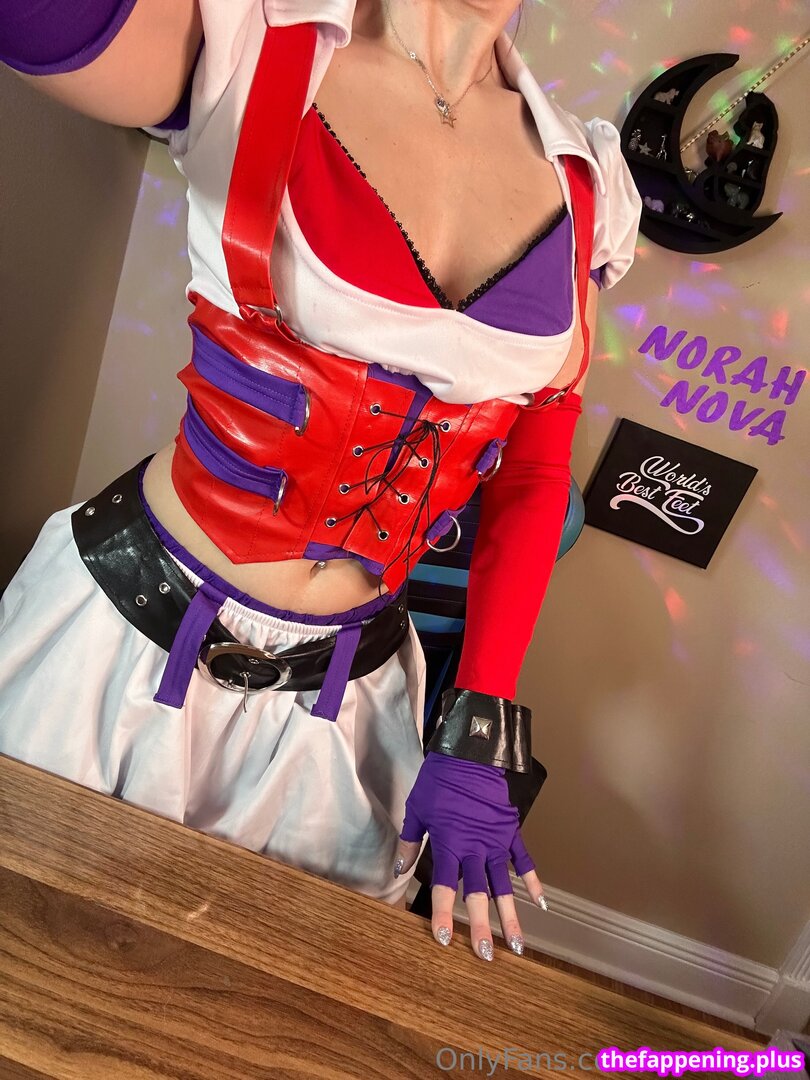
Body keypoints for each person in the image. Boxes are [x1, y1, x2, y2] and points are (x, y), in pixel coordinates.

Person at [0, 0, 641, 963]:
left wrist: (480, 725)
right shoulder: (253, 42)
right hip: (119, 650)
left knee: (247, 1009)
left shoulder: (587, 183)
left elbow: (536, 471)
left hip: (348, 709)